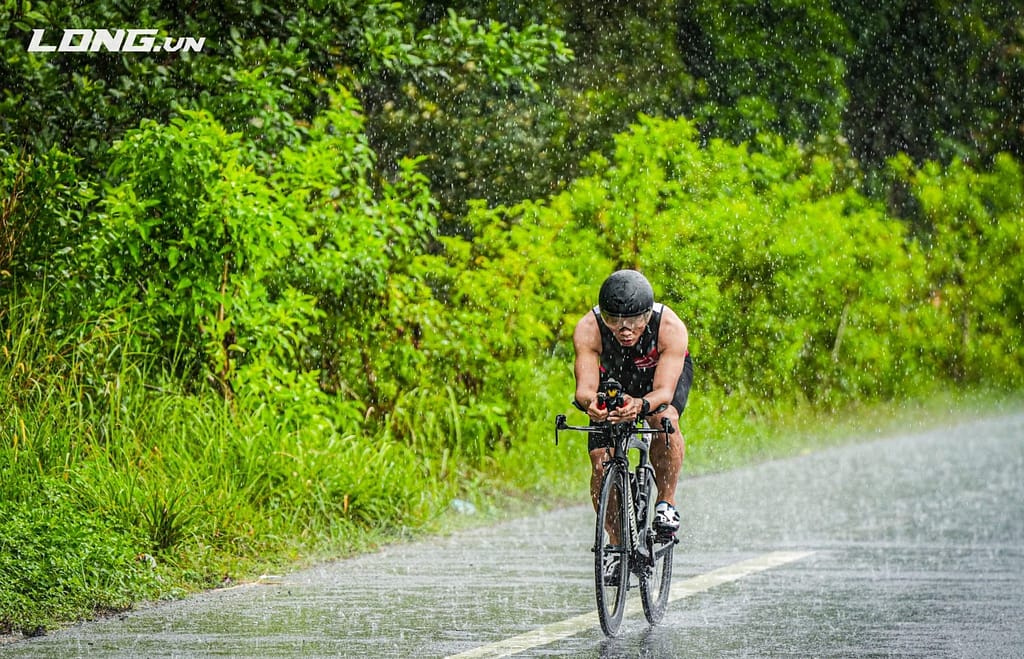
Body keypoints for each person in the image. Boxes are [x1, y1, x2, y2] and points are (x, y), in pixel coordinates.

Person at [572, 269, 693, 539]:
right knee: (600, 459)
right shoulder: (589, 328)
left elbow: (663, 391)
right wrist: (592, 404)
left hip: (658, 377)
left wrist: (640, 405)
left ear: (648, 314)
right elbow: (585, 389)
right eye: (613, 320)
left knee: (665, 420)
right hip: (614, 377)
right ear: (603, 316)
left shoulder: (669, 327)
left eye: (635, 321)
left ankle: (666, 502)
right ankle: (616, 541)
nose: (624, 330)